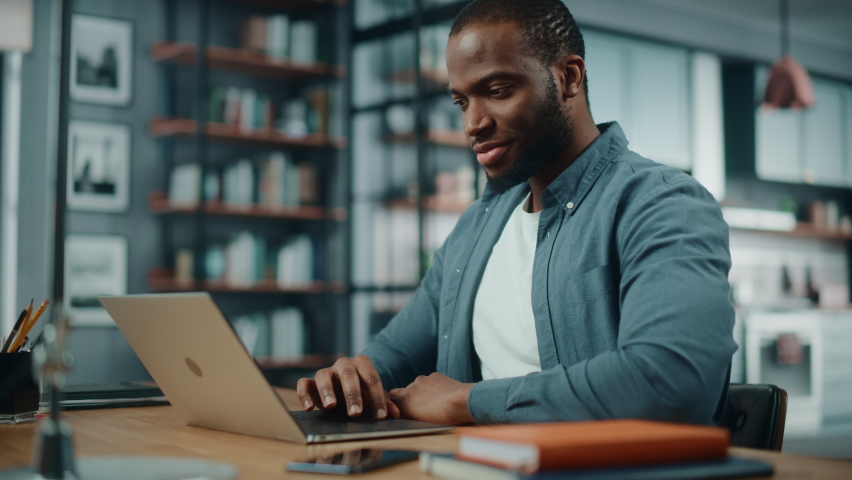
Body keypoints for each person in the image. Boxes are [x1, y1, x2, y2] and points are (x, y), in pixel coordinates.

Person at [297, 0, 736, 425]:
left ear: (568, 77)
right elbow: (393, 356)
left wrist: (463, 402)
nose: (472, 123)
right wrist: (353, 380)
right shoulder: (477, 225)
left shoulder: (662, 204)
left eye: (496, 91)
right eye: (461, 102)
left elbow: (672, 385)